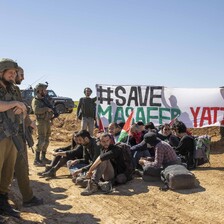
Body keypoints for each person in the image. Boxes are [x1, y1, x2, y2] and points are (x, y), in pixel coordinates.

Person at [0, 58, 27, 218]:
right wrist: (14, 104)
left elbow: (24, 106)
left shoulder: (14, 89)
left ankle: (3, 203)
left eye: (15, 73)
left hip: (13, 135)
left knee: (7, 172)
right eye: (10, 72)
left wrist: (23, 110)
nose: (13, 75)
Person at [13, 66, 43, 207]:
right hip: (10, 135)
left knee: (20, 167)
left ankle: (27, 197)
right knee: (19, 167)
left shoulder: (14, 90)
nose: (23, 77)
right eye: (21, 74)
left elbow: (21, 111)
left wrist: (29, 122)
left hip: (17, 133)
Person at [32, 83, 54, 165]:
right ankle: (36, 159)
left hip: (47, 121)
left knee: (47, 140)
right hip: (41, 122)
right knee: (41, 140)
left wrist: (51, 117)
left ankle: (43, 158)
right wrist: (46, 109)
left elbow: (50, 109)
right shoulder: (35, 100)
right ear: (39, 90)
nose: (45, 91)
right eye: (44, 90)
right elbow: (36, 111)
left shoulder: (44, 100)